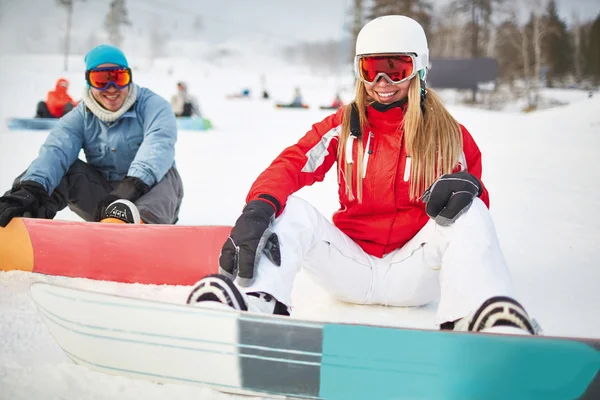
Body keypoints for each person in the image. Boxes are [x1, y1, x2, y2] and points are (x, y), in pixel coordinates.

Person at [187, 16, 540, 336]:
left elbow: (474, 226)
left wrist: (468, 192)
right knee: (289, 209)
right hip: (351, 266)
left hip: (414, 271)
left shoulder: (450, 136)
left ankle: (480, 319)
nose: (382, 83)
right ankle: (255, 301)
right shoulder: (343, 126)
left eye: (396, 69)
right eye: (371, 70)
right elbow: (293, 163)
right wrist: (258, 206)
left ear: (419, 69)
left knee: (470, 210)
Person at [0, 44, 183, 227]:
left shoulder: (154, 106)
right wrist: (31, 188)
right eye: (101, 80)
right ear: (89, 82)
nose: (111, 88)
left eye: (119, 78)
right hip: (104, 201)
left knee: (166, 171)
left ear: (129, 78)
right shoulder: (79, 117)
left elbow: (158, 146)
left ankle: (140, 227)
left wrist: (127, 190)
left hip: (149, 197)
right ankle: (23, 220)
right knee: (63, 172)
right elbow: (56, 152)